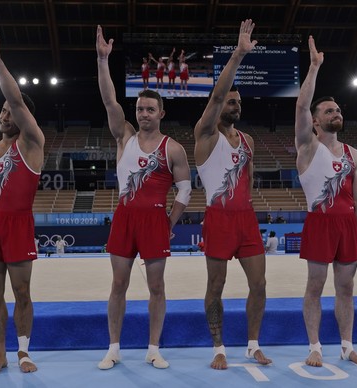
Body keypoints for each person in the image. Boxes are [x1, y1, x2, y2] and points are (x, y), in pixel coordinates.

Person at [96, 25, 191, 370]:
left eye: (150, 109)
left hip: (154, 218)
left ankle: (154, 347)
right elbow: (109, 100)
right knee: (118, 283)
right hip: (124, 216)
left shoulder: (174, 149)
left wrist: (170, 221)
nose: (144, 114)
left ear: (161, 113)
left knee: (156, 286)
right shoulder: (125, 136)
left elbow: (185, 189)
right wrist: (102, 60)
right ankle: (114, 347)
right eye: (140, 109)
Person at [193, 19, 271, 370]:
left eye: (238, 102)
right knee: (217, 283)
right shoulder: (205, 135)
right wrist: (239, 54)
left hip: (245, 218)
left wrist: (248, 207)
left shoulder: (249, 141)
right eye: (230, 101)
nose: (234, 105)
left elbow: (249, 179)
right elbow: (216, 94)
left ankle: (253, 343)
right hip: (219, 218)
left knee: (259, 283)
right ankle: (218, 346)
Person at [294, 35, 357, 368]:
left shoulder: (353, 153)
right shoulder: (308, 147)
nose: (336, 113)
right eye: (328, 110)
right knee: (315, 285)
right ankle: (315, 346)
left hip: (347, 225)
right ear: (315, 120)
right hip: (320, 223)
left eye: (338, 109)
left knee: (346, 287)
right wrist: (313, 68)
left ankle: (346, 345)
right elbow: (300, 106)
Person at [0, 35, 45, 374]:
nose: (4, 115)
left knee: (22, 291)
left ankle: (23, 351)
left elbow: (16, 99)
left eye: (9, 111)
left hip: (18, 224)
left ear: (22, 116)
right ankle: (0, 353)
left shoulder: (32, 143)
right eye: (1, 111)